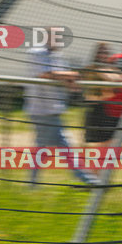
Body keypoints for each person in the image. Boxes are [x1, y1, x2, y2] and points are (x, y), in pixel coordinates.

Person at [24, 28, 99, 186]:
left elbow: (64, 77)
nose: (59, 42)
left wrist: (74, 86)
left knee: (49, 147)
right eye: (56, 38)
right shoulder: (36, 53)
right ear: (47, 38)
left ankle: (32, 183)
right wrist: (72, 75)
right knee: (60, 147)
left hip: (54, 107)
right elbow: (45, 74)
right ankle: (88, 180)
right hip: (41, 110)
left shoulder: (58, 56)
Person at [83, 43, 122, 148]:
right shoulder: (92, 67)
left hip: (108, 110)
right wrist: (117, 75)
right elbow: (114, 78)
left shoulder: (112, 67)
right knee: (94, 145)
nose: (103, 55)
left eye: (106, 52)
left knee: (111, 143)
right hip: (95, 109)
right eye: (100, 52)